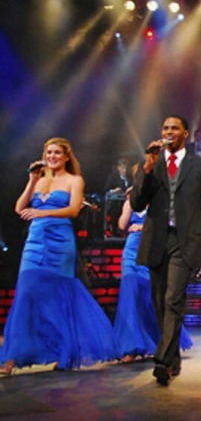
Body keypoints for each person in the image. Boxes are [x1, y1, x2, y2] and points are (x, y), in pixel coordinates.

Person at [0, 138, 118, 375]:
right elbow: (19, 207)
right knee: (25, 292)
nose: (52, 156)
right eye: (49, 152)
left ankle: (64, 351)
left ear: (66, 157)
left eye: (57, 153)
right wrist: (32, 180)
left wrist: (42, 213)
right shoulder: (39, 180)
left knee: (59, 295)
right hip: (35, 241)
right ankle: (11, 358)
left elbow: (73, 210)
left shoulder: (74, 180)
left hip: (61, 241)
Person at [130, 115, 201, 386]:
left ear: (185, 133)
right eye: (165, 128)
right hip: (157, 241)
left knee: (173, 299)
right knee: (159, 302)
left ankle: (162, 361)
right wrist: (146, 168)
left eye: (174, 128)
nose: (169, 132)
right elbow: (136, 203)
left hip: (185, 241)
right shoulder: (151, 165)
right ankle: (173, 360)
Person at [114, 182, 193, 362]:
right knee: (129, 295)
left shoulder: (160, 202)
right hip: (131, 250)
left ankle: (156, 342)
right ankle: (130, 347)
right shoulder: (130, 202)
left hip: (151, 249)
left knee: (150, 298)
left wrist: (143, 227)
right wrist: (130, 204)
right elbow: (122, 225)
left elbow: (167, 225)